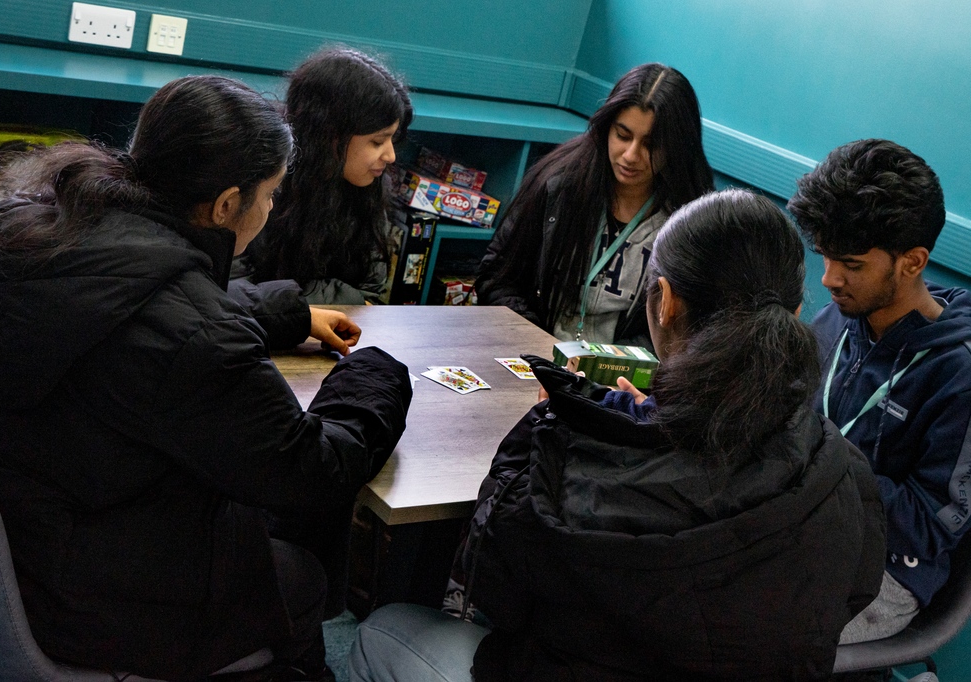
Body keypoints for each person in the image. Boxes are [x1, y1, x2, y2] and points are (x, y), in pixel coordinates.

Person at [0, 75, 413, 681]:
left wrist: (288, 311)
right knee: (299, 570)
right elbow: (314, 470)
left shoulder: (47, 233)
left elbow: (133, 302)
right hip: (98, 606)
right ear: (225, 205)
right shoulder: (199, 340)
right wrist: (380, 374)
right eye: (270, 196)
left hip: (7, 556)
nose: (271, 211)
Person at [350, 189, 886, 681]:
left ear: (666, 301)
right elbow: (853, 590)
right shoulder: (841, 464)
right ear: (793, 312)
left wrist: (550, 425)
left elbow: (493, 579)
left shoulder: (590, 466)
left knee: (381, 631)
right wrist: (650, 420)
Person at [787, 139, 971, 645]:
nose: (828, 279)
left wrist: (814, 453)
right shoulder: (843, 315)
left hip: (883, 573)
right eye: (824, 256)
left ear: (912, 262)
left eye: (851, 263)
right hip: (794, 524)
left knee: (718, 619)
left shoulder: (959, 373)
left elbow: (931, 527)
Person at [475, 62, 714, 348]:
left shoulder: (692, 220)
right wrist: (540, 349)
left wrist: (619, 365)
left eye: (650, 144)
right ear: (606, 128)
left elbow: (690, 326)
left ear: (677, 147)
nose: (630, 155)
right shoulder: (557, 185)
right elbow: (496, 277)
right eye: (622, 135)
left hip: (626, 380)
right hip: (536, 356)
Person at [238, 46, 413, 305]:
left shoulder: (369, 188)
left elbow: (371, 294)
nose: (390, 156)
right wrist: (339, 296)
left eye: (392, 140)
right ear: (329, 137)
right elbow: (234, 293)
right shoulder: (258, 180)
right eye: (377, 142)